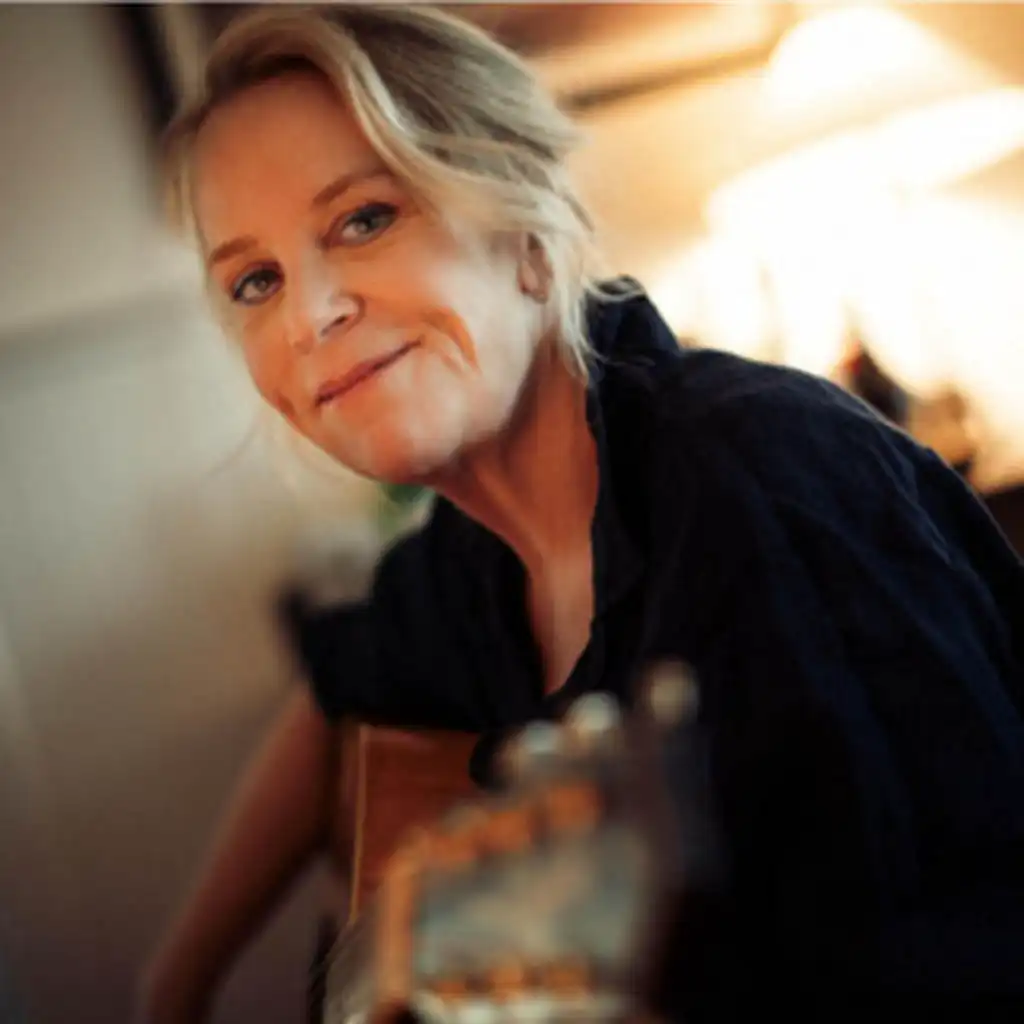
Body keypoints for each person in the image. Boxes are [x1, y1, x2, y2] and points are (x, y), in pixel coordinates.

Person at [140, 5, 1024, 1021]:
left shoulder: (766, 481)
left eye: (365, 219)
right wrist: (172, 984)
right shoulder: (474, 559)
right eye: (255, 281)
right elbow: (336, 686)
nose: (309, 315)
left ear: (525, 232)